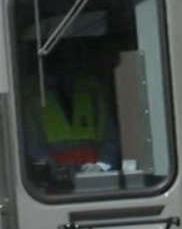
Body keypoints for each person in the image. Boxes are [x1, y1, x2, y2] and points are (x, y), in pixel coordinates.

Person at [19, 44, 121, 183]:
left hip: (95, 180)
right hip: (51, 185)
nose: (60, 61)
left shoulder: (92, 87)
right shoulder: (27, 93)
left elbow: (110, 136)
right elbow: (30, 143)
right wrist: (51, 170)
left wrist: (101, 166)